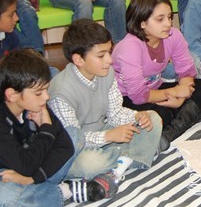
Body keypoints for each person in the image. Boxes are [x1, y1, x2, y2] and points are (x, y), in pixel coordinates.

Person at [0, 50, 111, 207]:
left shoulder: (34, 105)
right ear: (12, 95)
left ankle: (34, 200)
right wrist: (46, 130)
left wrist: (32, 179)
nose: (46, 97)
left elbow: (65, 146)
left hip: (28, 168)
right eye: (39, 93)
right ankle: (65, 191)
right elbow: (25, 165)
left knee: (74, 135)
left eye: (46, 89)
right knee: (0, 197)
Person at [48, 19, 162, 188]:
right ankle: (131, 155)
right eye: (101, 55)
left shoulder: (106, 74)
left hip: (102, 131)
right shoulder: (61, 92)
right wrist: (109, 137)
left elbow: (115, 113)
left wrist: (137, 115)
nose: (109, 60)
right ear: (79, 59)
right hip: (74, 147)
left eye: (109, 52)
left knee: (152, 119)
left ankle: (121, 161)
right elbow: (72, 141)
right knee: (91, 163)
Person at [112, 0, 201, 146]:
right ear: (142, 23)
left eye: (169, 17)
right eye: (160, 19)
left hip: (155, 88)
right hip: (127, 98)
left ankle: (171, 132)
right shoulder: (130, 47)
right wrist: (174, 93)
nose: (168, 24)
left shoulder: (173, 35)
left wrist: (180, 98)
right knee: (159, 116)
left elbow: (186, 70)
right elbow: (138, 95)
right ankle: (194, 112)